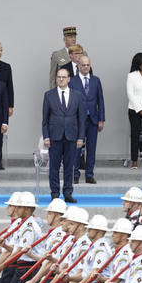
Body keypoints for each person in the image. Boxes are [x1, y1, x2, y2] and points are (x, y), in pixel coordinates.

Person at [42, 69, 85, 203]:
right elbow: (45, 119)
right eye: (59, 77)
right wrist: (46, 137)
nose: (61, 79)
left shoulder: (77, 95)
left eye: (63, 77)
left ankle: (67, 193)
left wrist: (81, 137)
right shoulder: (49, 95)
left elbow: (81, 119)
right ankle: (55, 193)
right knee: (54, 167)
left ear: (69, 79)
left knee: (69, 166)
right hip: (54, 136)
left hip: (71, 136)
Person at [69, 55, 104, 184]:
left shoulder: (96, 80)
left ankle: (89, 174)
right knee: (76, 148)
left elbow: (101, 101)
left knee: (92, 148)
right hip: (78, 120)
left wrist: (101, 119)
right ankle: (75, 174)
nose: (85, 67)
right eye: (83, 65)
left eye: (87, 65)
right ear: (78, 66)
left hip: (93, 120)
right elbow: (70, 102)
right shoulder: (72, 81)